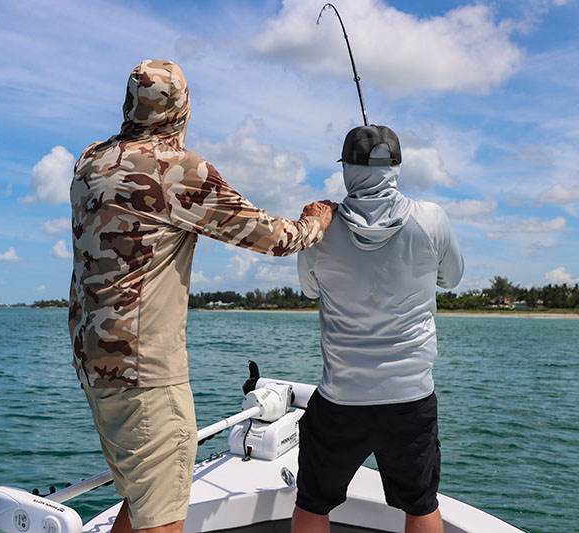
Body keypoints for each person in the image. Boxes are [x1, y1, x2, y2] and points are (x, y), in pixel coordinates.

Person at [69, 59, 336, 533]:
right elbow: (275, 237)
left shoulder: (90, 161)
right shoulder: (178, 171)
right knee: (164, 519)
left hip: (94, 364)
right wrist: (316, 219)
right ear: (183, 110)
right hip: (146, 372)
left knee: (139, 497)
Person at [291, 125, 464, 533]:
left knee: (313, 503)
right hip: (411, 396)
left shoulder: (321, 229)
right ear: (397, 166)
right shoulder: (431, 219)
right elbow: (451, 279)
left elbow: (308, 287)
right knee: (420, 504)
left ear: (347, 169)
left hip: (341, 399)